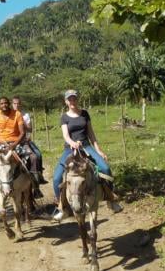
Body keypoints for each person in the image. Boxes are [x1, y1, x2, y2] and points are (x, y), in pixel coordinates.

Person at [52, 89, 122, 221]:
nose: (72, 101)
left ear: (77, 99)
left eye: (74, 98)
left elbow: (91, 134)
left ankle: (111, 200)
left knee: (106, 169)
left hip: (87, 146)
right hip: (70, 148)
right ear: (66, 101)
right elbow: (66, 136)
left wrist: (99, 150)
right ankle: (62, 207)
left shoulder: (84, 114)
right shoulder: (64, 117)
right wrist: (73, 143)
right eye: (70, 99)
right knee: (56, 178)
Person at [0, 96, 42, 202]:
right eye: (1, 103)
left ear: (9, 104)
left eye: (5, 103)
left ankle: (36, 187)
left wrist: (14, 144)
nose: (4, 105)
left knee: (34, 158)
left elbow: (22, 132)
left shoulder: (17, 114)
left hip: (17, 142)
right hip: (1, 143)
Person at [11, 96, 47, 185]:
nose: (16, 105)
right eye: (15, 104)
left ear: (21, 104)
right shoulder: (10, 114)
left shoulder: (25, 115)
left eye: (18, 103)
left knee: (38, 154)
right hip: (12, 140)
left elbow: (30, 129)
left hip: (25, 140)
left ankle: (38, 177)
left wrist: (22, 121)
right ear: (12, 104)